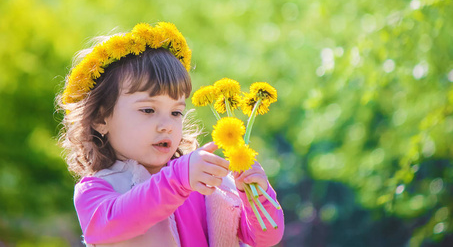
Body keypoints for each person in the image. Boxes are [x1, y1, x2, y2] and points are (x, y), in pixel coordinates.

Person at [56, 22, 284, 247]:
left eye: (176, 112)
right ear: (100, 119)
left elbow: (265, 237)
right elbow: (114, 221)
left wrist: (255, 195)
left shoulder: (203, 185)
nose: (167, 125)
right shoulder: (97, 190)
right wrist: (178, 179)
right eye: (148, 110)